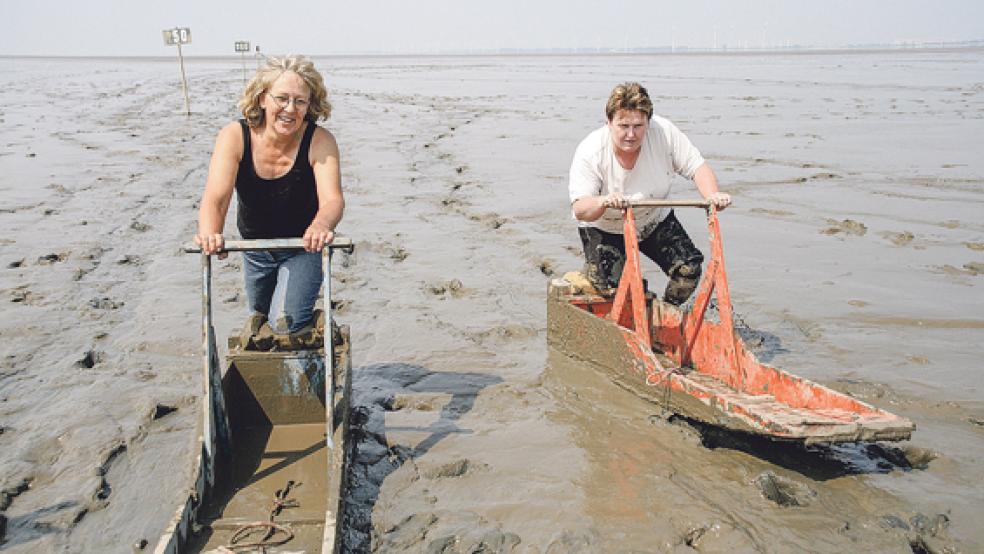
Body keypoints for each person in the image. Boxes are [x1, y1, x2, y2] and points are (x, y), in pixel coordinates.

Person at [194, 55, 344, 336]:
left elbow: (333, 200)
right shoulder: (235, 136)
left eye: (300, 101)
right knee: (260, 319)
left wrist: (321, 225)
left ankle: (318, 329)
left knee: (284, 322)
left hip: (304, 247)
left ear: (309, 105)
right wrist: (210, 233)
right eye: (282, 98)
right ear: (263, 98)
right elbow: (216, 196)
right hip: (255, 249)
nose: (290, 109)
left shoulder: (320, 141)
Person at [568, 82, 730, 305]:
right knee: (617, 294)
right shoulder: (591, 151)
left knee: (688, 270)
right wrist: (604, 201)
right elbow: (581, 208)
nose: (631, 134)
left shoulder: (664, 133)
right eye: (623, 126)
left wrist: (713, 195)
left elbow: (697, 167)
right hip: (605, 225)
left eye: (638, 125)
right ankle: (594, 273)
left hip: (653, 218)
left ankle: (665, 317)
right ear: (609, 123)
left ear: (648, 122)